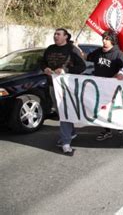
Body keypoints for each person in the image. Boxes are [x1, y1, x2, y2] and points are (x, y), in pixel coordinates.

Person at [40, 28, 86, 156]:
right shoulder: (50, 48)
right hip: (52, 85)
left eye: (58, 34)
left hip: (67, 86)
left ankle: (65, 143)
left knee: (64, 111)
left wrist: (65, 70)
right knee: (61, 112)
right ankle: (71, 133)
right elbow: (42, 61)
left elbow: (82, 66)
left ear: (66, 37)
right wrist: (45, 68)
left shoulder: (72, 50)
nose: (55, 36)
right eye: (55, 34)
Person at [87, 30, 123, 141]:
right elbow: (86, 57)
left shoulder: (118, 54)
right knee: (102, 108)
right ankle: (107, 130)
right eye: (103, 38)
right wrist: (76, 49)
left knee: (114, 108)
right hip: (99, 86)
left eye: (107, 39)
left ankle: (120, 126)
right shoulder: (98, 52)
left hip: (113, 87)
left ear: (112, 41)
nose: (104, 41)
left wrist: (119, 74)